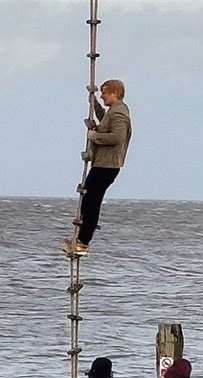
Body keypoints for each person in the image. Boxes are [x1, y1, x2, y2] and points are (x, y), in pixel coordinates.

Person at [64, 79, 132, 256]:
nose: (102, 96)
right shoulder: (114, 111)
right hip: (103, 163)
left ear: (115, 93)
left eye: (104, 93)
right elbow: (105, 120)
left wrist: (94, 136)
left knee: (91, 202)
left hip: (107, 165)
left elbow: (117, 137)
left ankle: (83, 242)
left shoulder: (119, 113)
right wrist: (94, 104)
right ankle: (80, 240)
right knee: (88, 199)